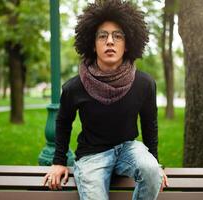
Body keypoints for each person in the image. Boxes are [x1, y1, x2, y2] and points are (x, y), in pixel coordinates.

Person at [43, 0, 168, 199]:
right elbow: (63, 123)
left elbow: (149, 124)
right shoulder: (74, 87)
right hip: (91, 156)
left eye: (117, 36)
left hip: (128, 149)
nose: (110, 41)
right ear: (93, 45)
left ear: (127, 45)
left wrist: (155, 163)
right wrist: (58, 161)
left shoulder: (144, 83)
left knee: (151, 170)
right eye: (103, 36)